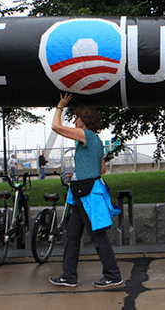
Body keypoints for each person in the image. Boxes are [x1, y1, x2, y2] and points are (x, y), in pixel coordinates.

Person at [48, 93, 122, 288]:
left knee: (98, 237)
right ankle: (68, 276)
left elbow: (56, 127)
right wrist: (79, 175)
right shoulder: (96, 140)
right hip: (85, 192)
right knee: (72, 235)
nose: (74, 120)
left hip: (87, 195)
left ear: (84, 120)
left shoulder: (85, 134)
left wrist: (60, 106)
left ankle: (113, 275)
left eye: (77, 117)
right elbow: (102, 169)